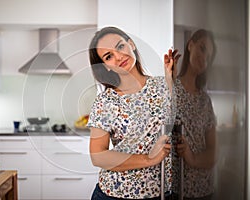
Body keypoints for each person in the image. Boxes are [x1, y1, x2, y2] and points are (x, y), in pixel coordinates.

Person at [86, 26, 180, 199]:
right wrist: (149, 159)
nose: (119, 57)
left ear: (131, 44)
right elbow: (98, 156)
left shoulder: (162, 85)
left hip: (162, 193)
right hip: (115, 194)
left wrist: (171, 82)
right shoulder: (106, 101)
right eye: (108, 56)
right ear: (105, 66)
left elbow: (178, 126)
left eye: (120, 46)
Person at [174, 29, 217, 200]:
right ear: (190, 45)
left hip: (204, 189)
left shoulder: (204, 101)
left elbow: (213, 151)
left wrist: (192, 159)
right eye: (202, 48)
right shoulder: (171, 89)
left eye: (209, 57)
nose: (204, 58)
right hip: (176, 190)